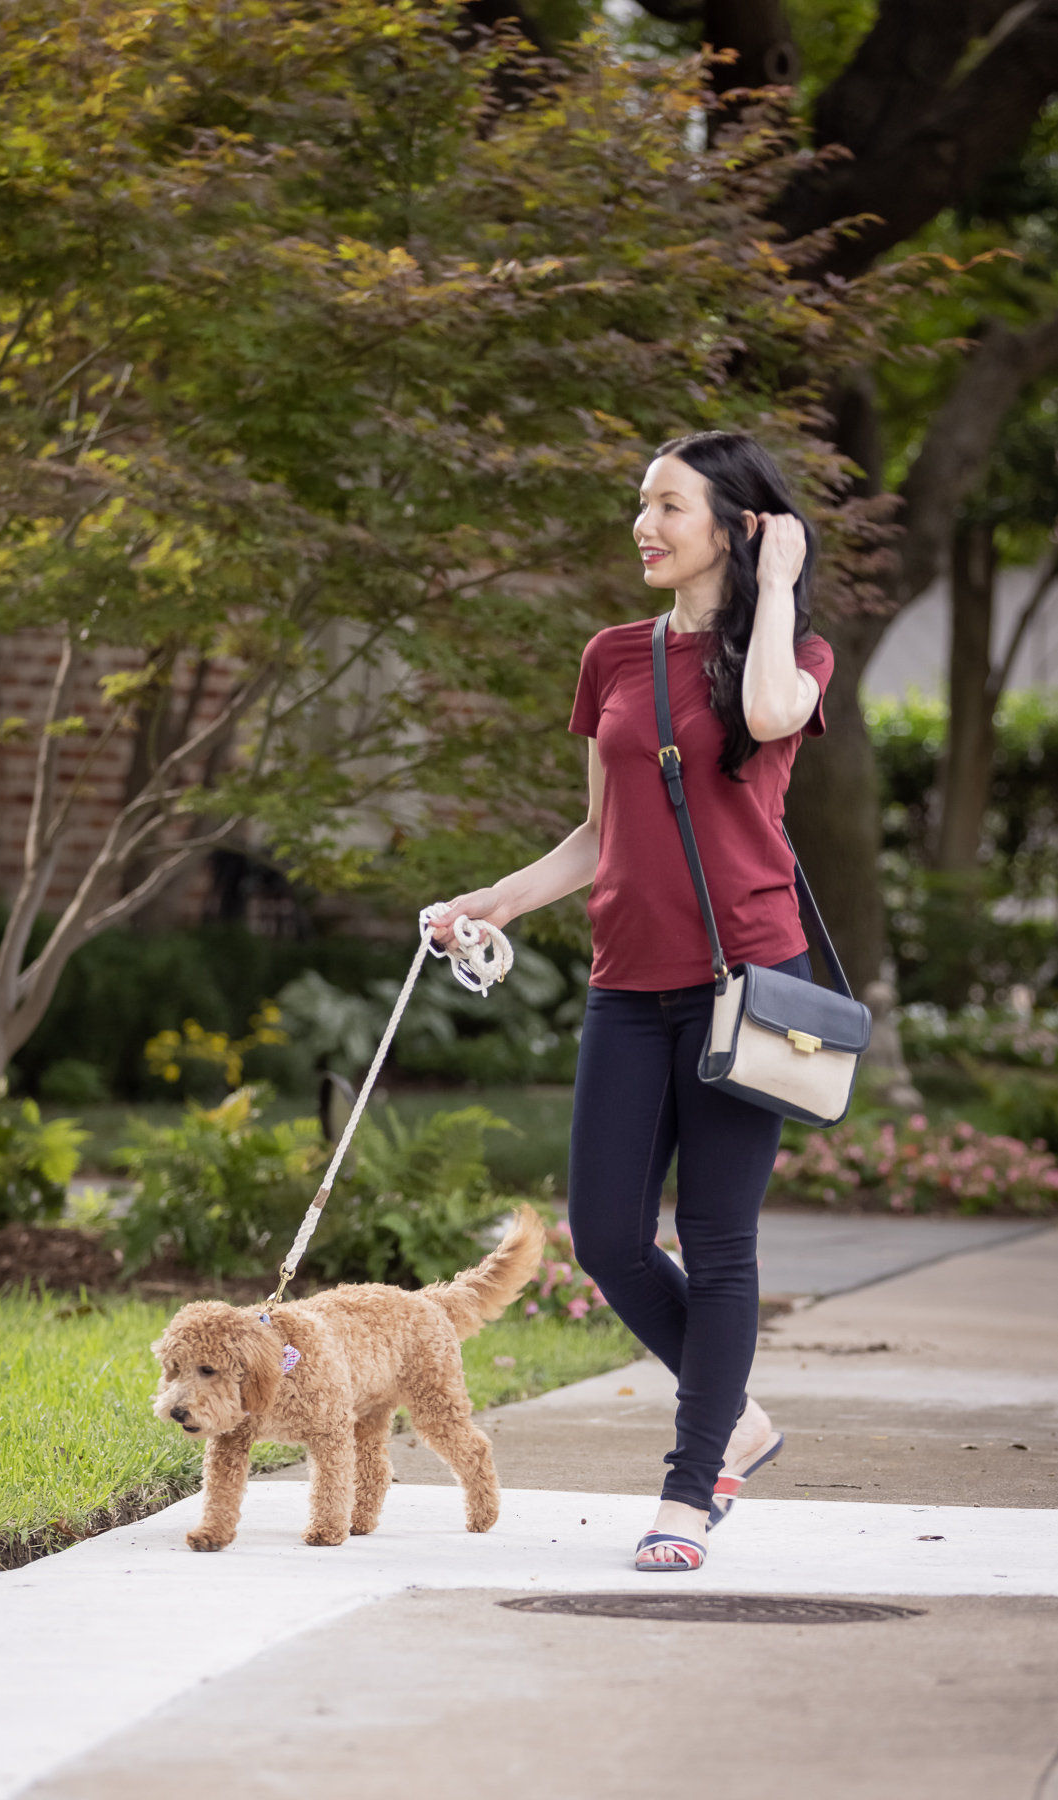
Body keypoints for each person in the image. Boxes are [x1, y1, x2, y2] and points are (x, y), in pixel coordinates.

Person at [430, 431, 833, 1571]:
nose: (645, 527)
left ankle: (688, 1490)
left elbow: (762, 719)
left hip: (748, 983)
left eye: (670, 507)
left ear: (734, 527)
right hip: (625, 981)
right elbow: (601, 828)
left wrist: (781, 580)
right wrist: (497, 902)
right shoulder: (612, 654)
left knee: (715, 1240)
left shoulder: (794, 653)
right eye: (640, 506)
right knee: (605, 1233)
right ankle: (739, 1418)